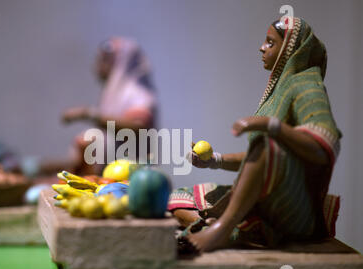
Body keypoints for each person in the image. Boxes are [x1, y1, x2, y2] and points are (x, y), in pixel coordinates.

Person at [169, 17, 341, 252]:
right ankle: (231, 227)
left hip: (292, 208)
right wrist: (214, 161)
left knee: (267, 143)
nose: (262, 47)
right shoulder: (281, 87)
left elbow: (324, 146)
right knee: (179, 198)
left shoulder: (306, 84)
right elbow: (258, 159)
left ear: (289, 50)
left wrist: (273, 127)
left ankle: (223, 229)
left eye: (270, 42)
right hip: (264, 199)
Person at [61, 37, 158, 175]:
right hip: (110, 178)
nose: (97, 64)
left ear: (120, 61)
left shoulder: (136, 93)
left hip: (131, 181)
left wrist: (87, 114)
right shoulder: (113, 95)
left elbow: (138, 127)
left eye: (104, 59)